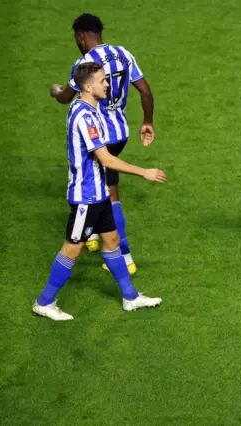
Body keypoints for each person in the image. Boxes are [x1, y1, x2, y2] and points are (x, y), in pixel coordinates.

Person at [34, 62, 165, 321]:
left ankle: (130, 297)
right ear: (87, 86)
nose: (108, 84)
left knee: (112, 241)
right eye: (102, 80)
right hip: (86, 197)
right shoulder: (85, 117)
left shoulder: (87, 108)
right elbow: (105, 159)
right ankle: (44, 302)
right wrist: (143, 172)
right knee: (72, 248)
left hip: (99, 192)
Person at [50, 13, 155, 276]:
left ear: (80, 36)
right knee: (101, 185)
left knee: (107, 192)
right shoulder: (123, 53)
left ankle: (125, 256)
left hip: (98, 136)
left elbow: (66, 97)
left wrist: (55, 90)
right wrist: (147, 122)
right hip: (121, 132)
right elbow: (145, 91)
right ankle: (95, 236)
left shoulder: (86, 64)